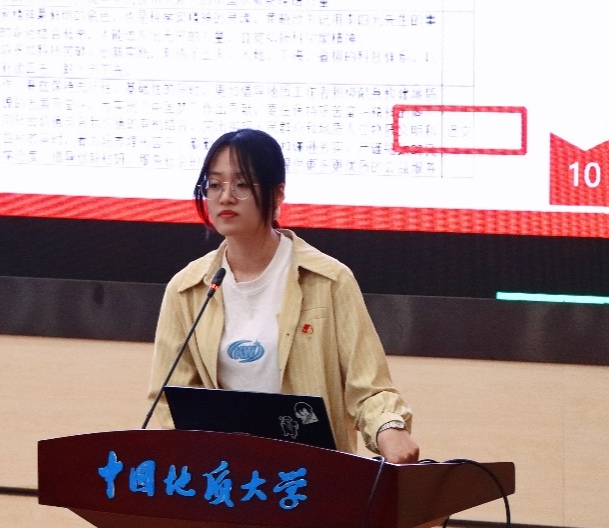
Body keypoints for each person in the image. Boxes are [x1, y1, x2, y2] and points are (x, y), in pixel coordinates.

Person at [147, 128, 421, 464]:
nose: (226, 196)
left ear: (277, 194)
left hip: (312, 474)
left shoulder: (329, 280)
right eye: (215, 184)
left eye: (242, 185)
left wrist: (389, 428)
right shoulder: (187, 289)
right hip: (227, 476)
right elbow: (170, 400)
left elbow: (369, 388)